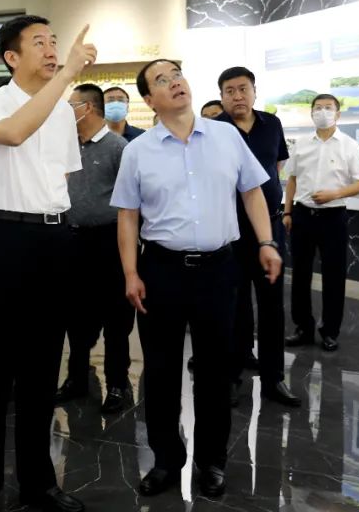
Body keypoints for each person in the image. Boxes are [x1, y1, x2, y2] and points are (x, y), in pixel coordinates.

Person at [111, 59, 282, 498]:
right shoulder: (138, 151)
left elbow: (252, 191)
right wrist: (130, 272)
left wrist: (266, 242)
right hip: (161, 271)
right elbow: (128, 216)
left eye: (177, 75)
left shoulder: (226, 136)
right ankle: (166, 459)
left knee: (216, 372)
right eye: (162, 80)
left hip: (219, 269)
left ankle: (212, 461)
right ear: (149, 100)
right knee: (161, 371)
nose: (175, 83)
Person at [0, 15, 95, 512]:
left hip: (55, 237)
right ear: (11, 57)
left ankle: (39, 484)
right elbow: (15, 133)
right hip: (5, 236)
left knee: (43, 369)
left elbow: (60, 176)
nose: (51, 49)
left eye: (54, 41)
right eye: (39, 42)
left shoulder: (62, 112)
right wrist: (68, 76)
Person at [214, 66, 300, 408]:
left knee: (272, 305)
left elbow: (276, 167)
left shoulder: (271, 124)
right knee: (233, 306)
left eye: (243, 89)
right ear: (221, 96)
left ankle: (273, 378)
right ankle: (232, 376)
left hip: (270, 229)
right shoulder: (214, 130)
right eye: (230, 91)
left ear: (254, 91)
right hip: (231, 231)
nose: (238, 96)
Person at [54, 83, 133, 414]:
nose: (65, 111)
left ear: (86, 108)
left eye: (70, 104)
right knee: (75, 315)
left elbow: (131, 201)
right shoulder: (67, 145)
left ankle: (116, 383)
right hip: (73, 240)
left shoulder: (119, 147)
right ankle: (76, 379)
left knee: (116, 318)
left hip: (110, 241)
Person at [283, 94, 359, 352]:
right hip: (302, 215)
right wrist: (287, 212)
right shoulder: (301, 144)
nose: (322, 112)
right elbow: (292, 179)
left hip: (333, 217)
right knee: (300, 274)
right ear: (311, 113)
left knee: (334, 275)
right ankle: (303, 327)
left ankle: (330, 331)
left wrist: (335, 194)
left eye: (328, 108)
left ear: (338, 114)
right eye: (318, 108)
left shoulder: (348, 145)